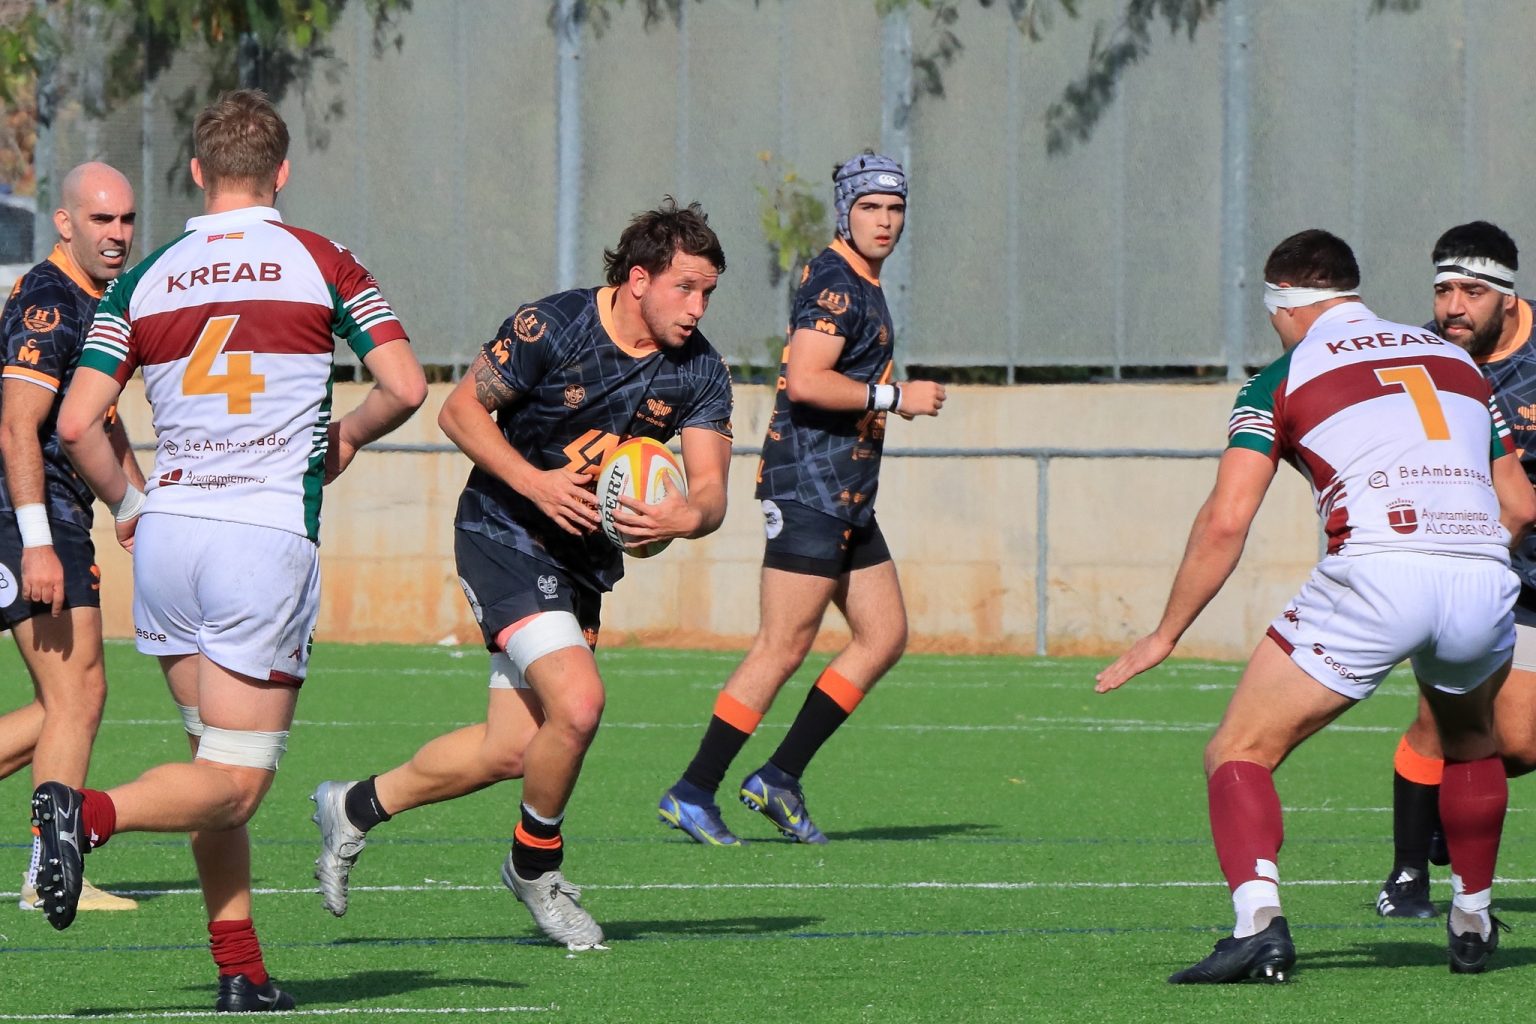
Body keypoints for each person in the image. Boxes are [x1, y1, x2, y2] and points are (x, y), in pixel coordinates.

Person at [30, 90, 427, 1013]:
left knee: (211, 768)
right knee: (236, 788)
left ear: (198, 174)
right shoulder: (320, 259)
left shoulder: (150, 273)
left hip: (169, 538)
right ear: (282, 172)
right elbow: (404, 384)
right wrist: (354, 432)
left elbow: (80, 421)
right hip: (260, 539)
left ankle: (240, 968)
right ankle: (84, 815)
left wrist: (130, 504)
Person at [1096, 228, 1535, 982]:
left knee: (1238, 750)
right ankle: (1472, 916)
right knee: (1471, 744)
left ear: (1285, 303)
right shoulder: (1459, 361)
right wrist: (1460, 550)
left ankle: (1257, 924)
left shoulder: (1282, 374)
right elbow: (1521, 504)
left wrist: (1165, 633)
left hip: (1377, 574)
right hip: (1481, 573)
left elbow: (1226, 519)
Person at [308, 199, 734, 950]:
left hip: (581, 566)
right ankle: (535, 869)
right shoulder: (556, 326)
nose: (698, 308)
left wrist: (683, 518)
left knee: (512, 749)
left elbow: (710, 494)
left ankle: (353, 807)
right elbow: (461, 412)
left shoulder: (699, 371)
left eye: (708, 294)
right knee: (579, 704)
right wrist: (535, 484)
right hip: (501, 534)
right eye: (686, 288)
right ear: (639, 279)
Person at [656, 151, 945, 847]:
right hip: (810, 487)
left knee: (883, 636)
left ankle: (780, 776)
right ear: (846, 209)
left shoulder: (863, 282)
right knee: (782, 646)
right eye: (871, 207)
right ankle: (695, 788)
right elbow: (809, 381)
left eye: (896, 208)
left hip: (846, 492)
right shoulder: (838, 283)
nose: (885, 221)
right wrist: (895, 397)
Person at [1376, 221, 1536, 918]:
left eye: (1472, 291)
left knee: (1521, 745)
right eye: (1443, 290)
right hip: (1463, 562)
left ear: (1508, 296)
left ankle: (1452, 805)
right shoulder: (1423, 360)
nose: (1452, 308)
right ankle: (1408, 875)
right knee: (1440, 720)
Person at [0, 162, 142, 914]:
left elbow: (101, 419)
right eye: (101, 220)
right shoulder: (51, 300)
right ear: (64, 223)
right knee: (76, 692)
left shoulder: (100, 299)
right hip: (30, 517)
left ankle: (45, 864)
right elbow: (16, 423)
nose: (117, 235)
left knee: (72, 697)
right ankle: (46, 872)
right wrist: (36, 541)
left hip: (58, 516)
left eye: (125, 220)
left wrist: (136, 505)